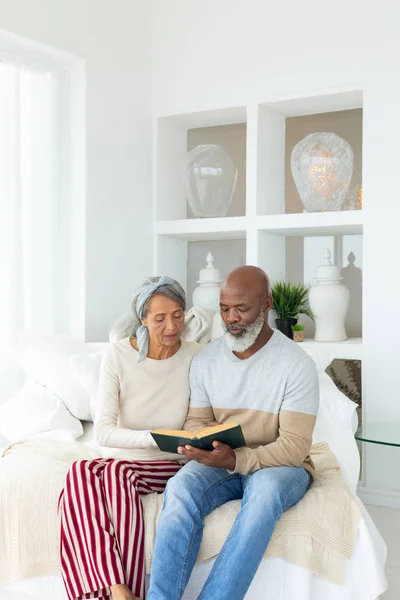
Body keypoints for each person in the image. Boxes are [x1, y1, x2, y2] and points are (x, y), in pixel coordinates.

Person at [147, 266, 319, 600]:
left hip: (281, 466)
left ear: (266, 305)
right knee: (180, 486)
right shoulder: (208, 359)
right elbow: (196, 420)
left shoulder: (296, 365)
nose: (232, 318)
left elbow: (295, 446)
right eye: (225, 309)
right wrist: (200, 442)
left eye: (242, 309)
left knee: (265, 491)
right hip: (223, 459)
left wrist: (238, 458)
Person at [58, 276, 201, 600]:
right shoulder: (117, 355)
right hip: (118, 455)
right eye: (160, 318)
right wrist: (156, 436)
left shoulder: (197, 356)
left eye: (178, 314)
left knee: (116, 473)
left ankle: (123, 591)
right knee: (78, 473)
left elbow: (198, 422)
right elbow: (104, 430)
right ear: (142, 319)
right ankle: (118, 590)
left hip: (168, 462)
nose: (171, 325)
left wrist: (176, 440)